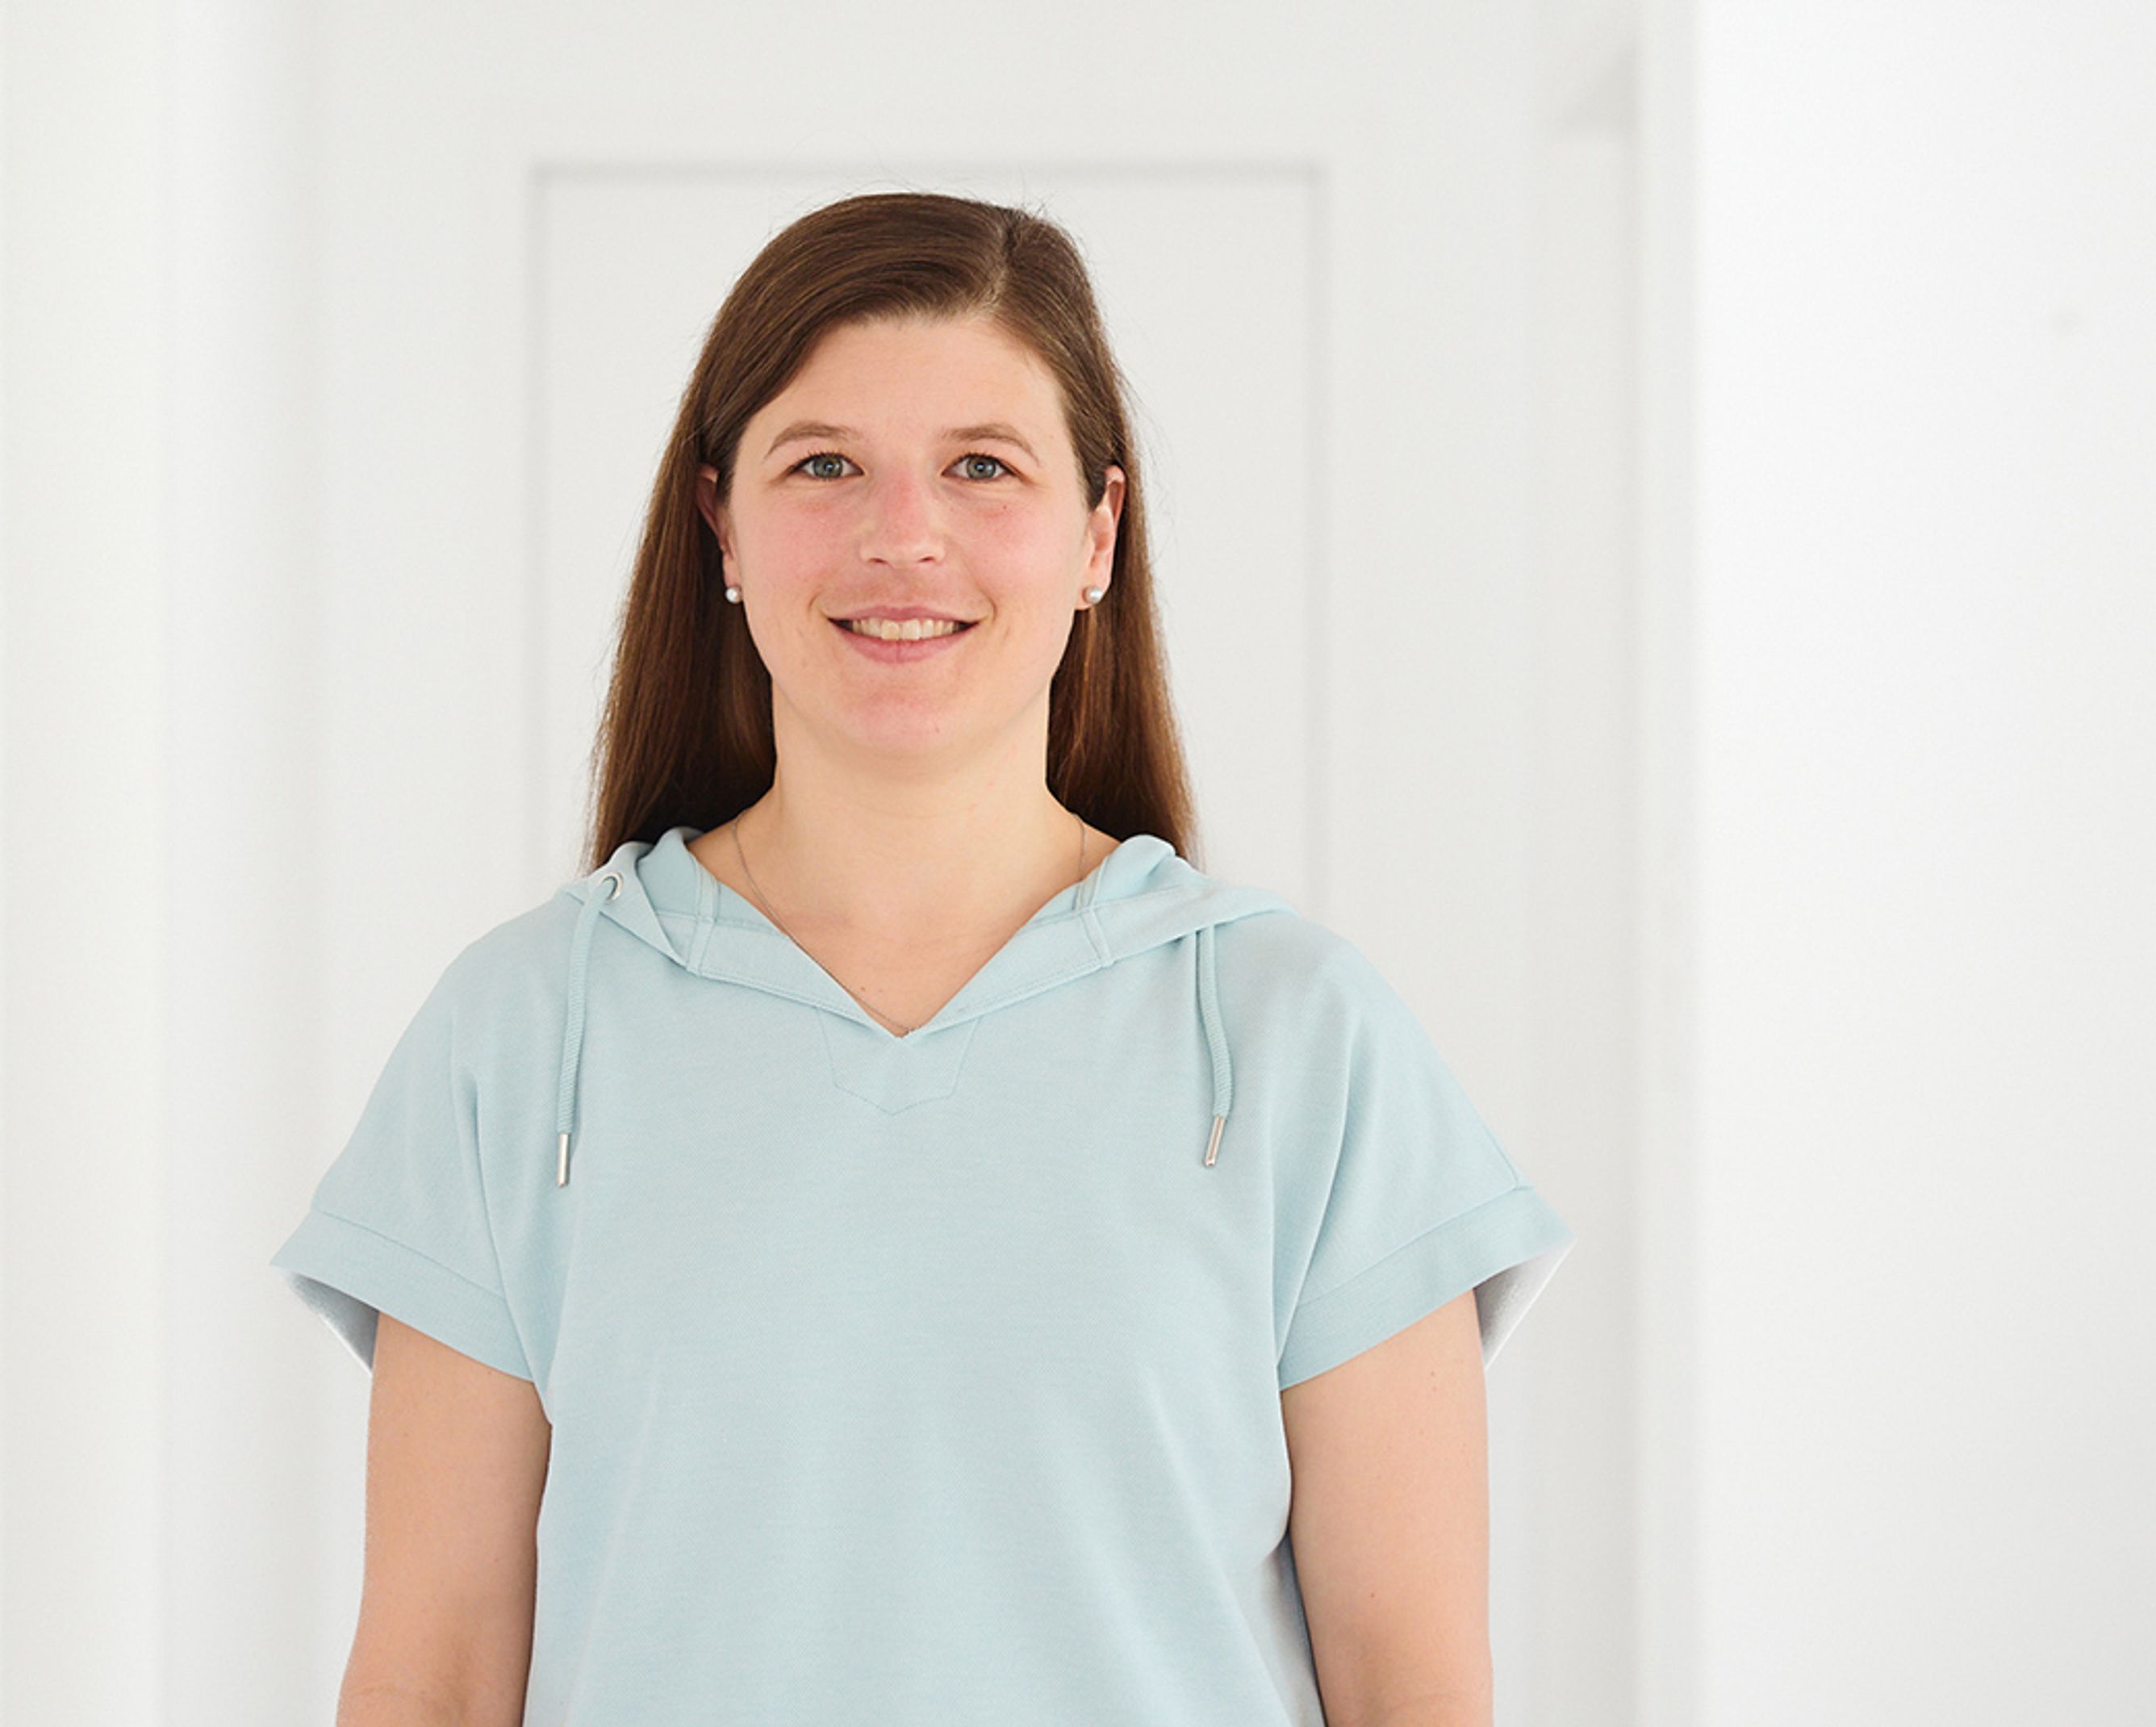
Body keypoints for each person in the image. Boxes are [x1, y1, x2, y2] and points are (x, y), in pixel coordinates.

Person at [270, 190, 1575, 1726]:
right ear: (722, 527)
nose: (903, 537)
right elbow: (430, 1678)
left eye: (982, 466)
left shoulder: (1302, 1038)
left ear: (1098, 535)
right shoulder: (520, 1032)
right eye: (824, 465)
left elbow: (1414, 1685)